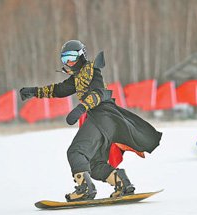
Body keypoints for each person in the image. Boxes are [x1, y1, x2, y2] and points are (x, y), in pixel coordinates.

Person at [19, 40, 162, 201]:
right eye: (64, 59)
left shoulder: (92, 71)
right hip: (104, 120)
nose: (68, 63)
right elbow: (59, 89)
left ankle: (84, 189)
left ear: (81, 56)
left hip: (102, 116)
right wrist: (34, 92)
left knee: (76, 152)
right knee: (94, 165)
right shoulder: (78, 76)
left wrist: (81, 108)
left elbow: (99, 93)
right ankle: (122, 183)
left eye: (71, 58)